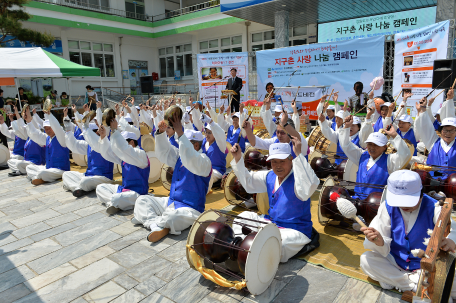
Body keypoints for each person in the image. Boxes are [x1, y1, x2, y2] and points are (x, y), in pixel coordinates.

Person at [359, 170, 456, 294]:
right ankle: (416, 285)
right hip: (395, 261)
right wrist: (380, 241)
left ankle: (401, 282)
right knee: (366, 260)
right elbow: (380, 242)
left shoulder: (434, 207)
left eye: (408, 200)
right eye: (399, 200)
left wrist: (451, 241)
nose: (403, 205)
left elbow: (453, 230)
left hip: (424, 266)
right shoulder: (387, 206)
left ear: (420, 194)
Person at [230, 140, 319, 262]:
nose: (278, 166)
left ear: (291, 160)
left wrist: (298, 153)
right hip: (270, 223)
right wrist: (238, 158)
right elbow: (249, 182)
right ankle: (242, 246)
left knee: (279, 243)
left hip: (293, 230)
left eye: (282, 161)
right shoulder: (270, 176)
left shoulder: (299, 178)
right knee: (242, 218)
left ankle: (254, 251)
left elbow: (310, 185)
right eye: (274, 162)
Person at [132, 113, 212, 243]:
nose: (181, 144)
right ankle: (155, 224)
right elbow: (165, 151)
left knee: (172, 218)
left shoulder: (204, 162)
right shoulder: (180, 157)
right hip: (171, 202)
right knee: (142, 200)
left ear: (196, 146)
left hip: (190, 209)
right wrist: (160, 133)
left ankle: (150, 220)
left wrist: (180, 132)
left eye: (185, 142)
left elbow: (191, 158)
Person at [340, 115, 411, 198]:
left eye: (376, 145)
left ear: (384, 147)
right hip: (357, 200)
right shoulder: (361, 156)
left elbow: (405, 154)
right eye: (369, 144)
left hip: (376, 205)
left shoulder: (390, 160)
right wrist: (347, 126)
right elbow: (345, 145)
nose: (372, 147)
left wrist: (394, 135)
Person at [56, 108, 115, 197]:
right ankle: (78, 188)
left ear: (97, 132)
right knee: (66, 174)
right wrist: (68, 129)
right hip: (88, 175)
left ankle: (77, 187)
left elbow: (106, 129)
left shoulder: (107, 143)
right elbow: (74, 145)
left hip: (103, 177)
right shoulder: (88, 145)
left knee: (85, 182)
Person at [96, 118, 150, 214]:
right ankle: (114, 203)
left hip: (137, 193)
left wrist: (114, 130)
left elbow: (124, 148)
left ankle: (114, 202)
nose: (120, 147)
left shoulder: (140, 154)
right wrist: (104, 137)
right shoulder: (125, 156)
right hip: (123, 190)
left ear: (132, 142)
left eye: (124, 142)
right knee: (100, 188)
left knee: (117, 198)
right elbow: (109, 153)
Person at [415, 90, 456, 179]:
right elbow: (425, 126)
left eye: (451, 130)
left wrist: (449, 100)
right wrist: (423, 108)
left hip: (453, 187)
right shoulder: (433, 142)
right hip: (433, 185)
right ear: (440, 131)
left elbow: (450, 116)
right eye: (445, 130)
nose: (448, 133)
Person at [24, 111, 70, 185]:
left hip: (60, 169)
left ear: (53, 127)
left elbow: (58, 128)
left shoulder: (61, 137)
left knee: (43, 173)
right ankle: (39, 178)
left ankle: (38, 177)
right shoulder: (47, 138)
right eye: (46, 129)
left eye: (49, 128)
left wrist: (49, 114)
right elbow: (36, 134)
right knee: (29, 167)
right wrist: (29, 122)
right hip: (48, 168)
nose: (47, 131)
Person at [6, 106, 45, 176]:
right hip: (27, 161)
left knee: (19, 163)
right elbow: (20, 126)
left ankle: (25, 171)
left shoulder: (39, 136)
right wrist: (17, 114)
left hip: (36, 162)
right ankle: (25, 170)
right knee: (11, 161)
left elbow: (33, 127)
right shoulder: (27, 137)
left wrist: (28, 116)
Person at [201, 113, 227, 193]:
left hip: (216, 171)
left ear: (215, 134)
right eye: (206, 132)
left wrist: (211, 122)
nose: (206, 134)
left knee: (204, 176)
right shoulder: (204, 142)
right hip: (204, 168)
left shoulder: (220, 144)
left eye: (209, 133)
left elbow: (221, 135)